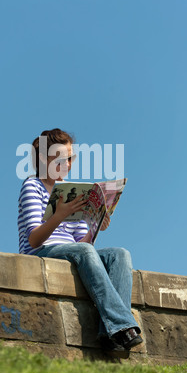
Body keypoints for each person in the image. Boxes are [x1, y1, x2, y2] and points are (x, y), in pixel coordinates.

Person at [17, 128, 142, 355]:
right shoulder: (32, 186)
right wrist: (58, 215)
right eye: (63, 159)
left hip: (74, 250)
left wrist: (96, 224)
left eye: (71, 158)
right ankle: (123, 326)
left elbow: (84, 244)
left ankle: (110, 333)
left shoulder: (71, 191)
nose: (69, 164)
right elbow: (34, 239)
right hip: (42, 251)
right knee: (84, 251)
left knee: (119, 254)